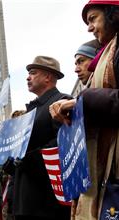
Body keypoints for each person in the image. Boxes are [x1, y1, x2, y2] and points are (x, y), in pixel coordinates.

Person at [49, 1, 119, 219]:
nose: (89, 28)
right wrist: (76, 112)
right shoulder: (109, 52)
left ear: (114, 14)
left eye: (93, 19)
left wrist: (84, 100)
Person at [3, 56, 71, 220]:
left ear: (48, 77)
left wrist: (28, 160)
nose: (28, 77)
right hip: (24, 199)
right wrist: (9, 159)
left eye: (33, 73)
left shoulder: (62, 102)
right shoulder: (31, 110)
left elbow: (63, 142)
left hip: (46, 201)